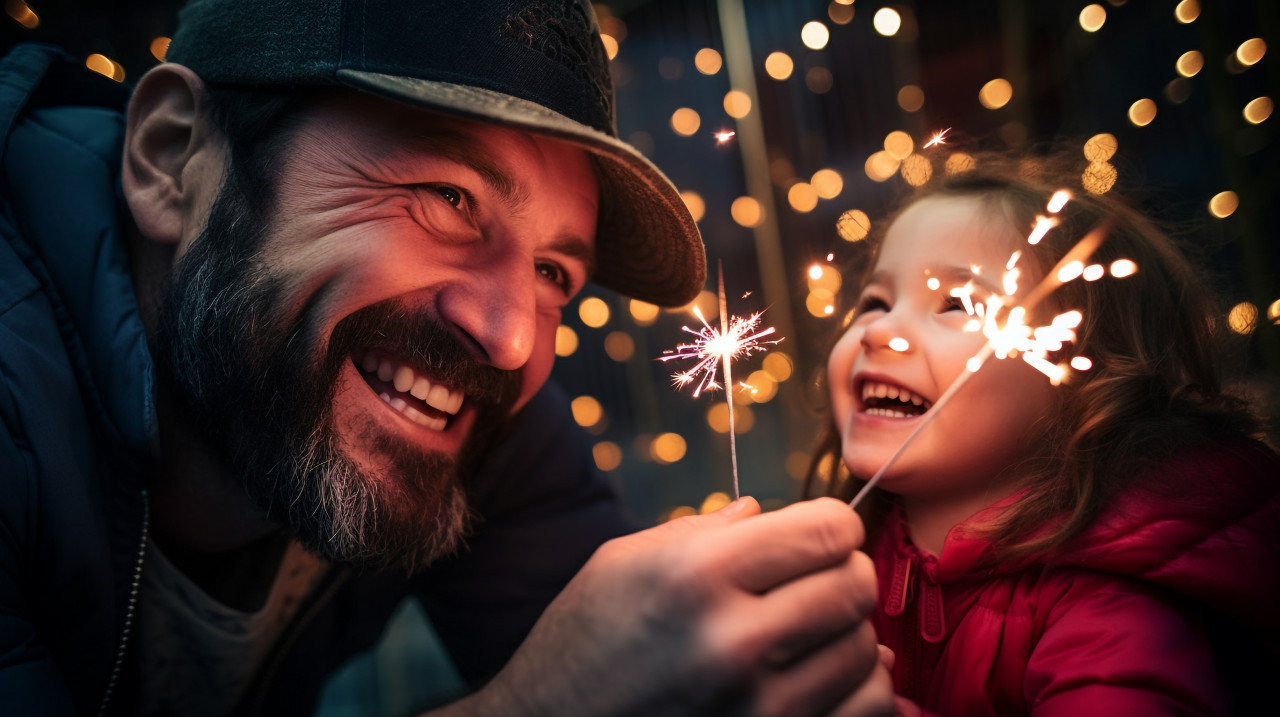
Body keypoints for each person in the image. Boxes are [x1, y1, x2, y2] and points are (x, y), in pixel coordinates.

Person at [0, 1, 894, 715]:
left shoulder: (460, 415)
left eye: (553, 271)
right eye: (446, 198)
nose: (507, 337)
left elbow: (668, 670)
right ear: (171, 159)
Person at [806, 151, 1280, 715]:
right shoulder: (842, 568)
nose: (880, 330)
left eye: (957, 303)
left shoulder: (1108, 603)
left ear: (1083, 375)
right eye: (875, 302)